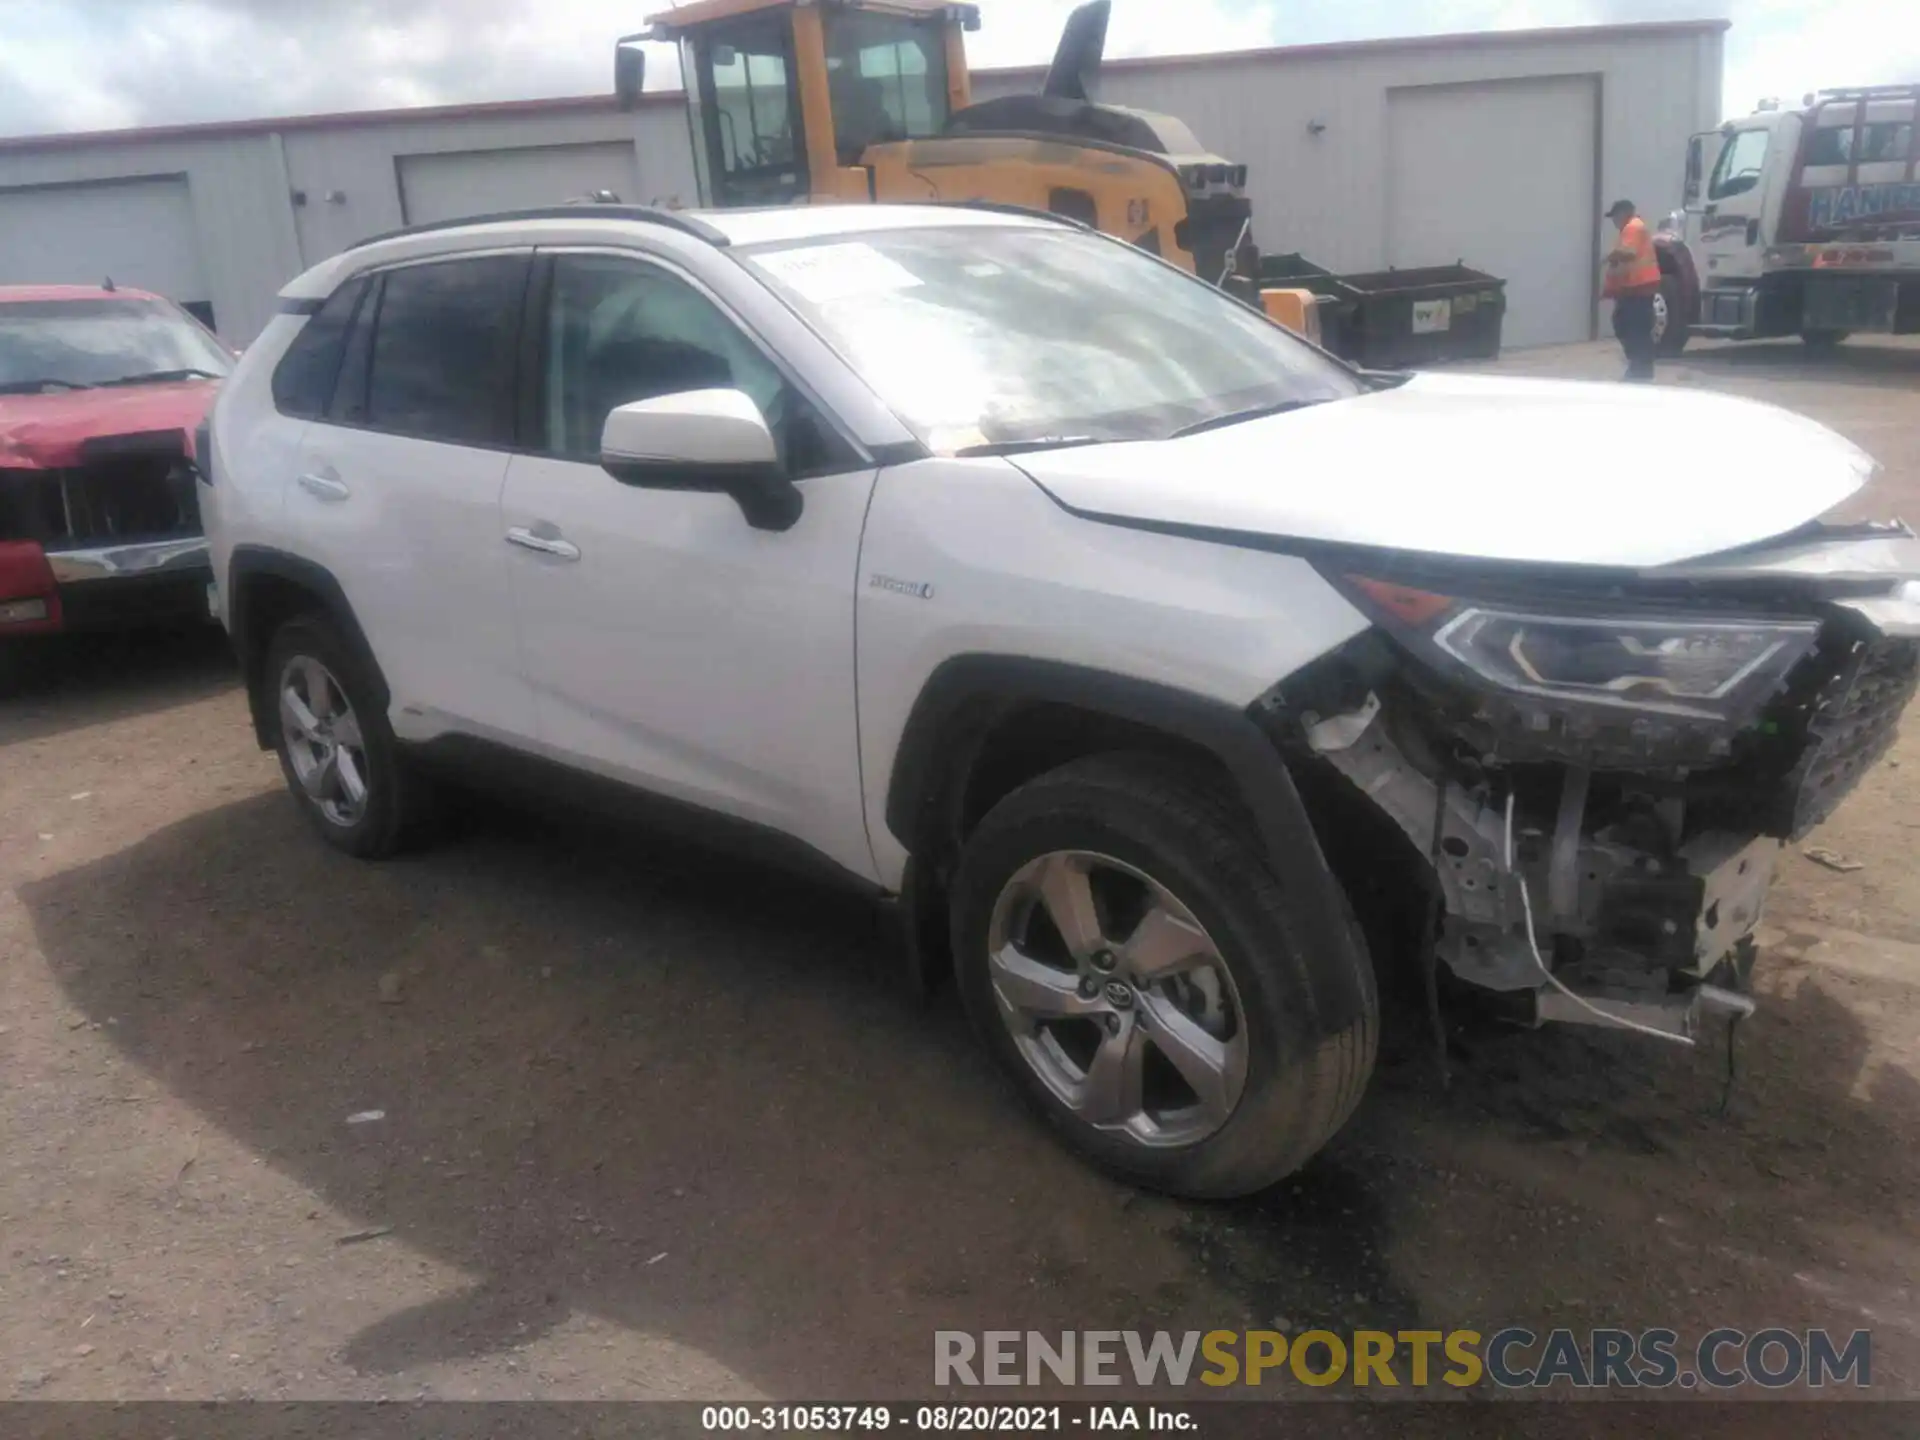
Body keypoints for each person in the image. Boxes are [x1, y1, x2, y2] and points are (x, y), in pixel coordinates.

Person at [1603, 199, 1662, 382]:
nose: (1614, 221)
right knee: (1626, 325)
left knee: (1634, 328)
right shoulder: (1631, 228)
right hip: (1633, 288)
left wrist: (1611, 256)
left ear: (1623, 213)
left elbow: (1629, 253)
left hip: (1639, 288)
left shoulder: (1633, 227)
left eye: (1615, 216)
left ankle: (1640, 370)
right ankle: (1639, 368)